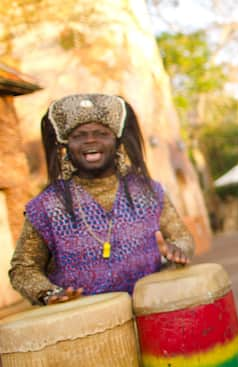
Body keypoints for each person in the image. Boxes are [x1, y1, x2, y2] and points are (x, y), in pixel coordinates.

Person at [10, 93, 192, 306]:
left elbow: (181, 237)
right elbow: (23, 268)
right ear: (66, 145)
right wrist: (50, 293)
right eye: (79, 135)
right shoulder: (47, 205)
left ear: (116, 141)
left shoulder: (147, 191)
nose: (90, 140)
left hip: (153, 311)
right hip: (87, 325)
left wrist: (178, 249)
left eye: (101, 133)